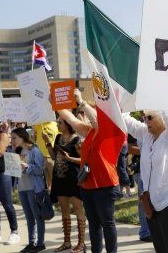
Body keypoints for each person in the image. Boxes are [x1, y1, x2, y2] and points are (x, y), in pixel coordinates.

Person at [58, 89, 121, 253]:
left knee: (107, 222)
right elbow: (70, 119)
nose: (85, 115)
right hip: (88, 185)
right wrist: (55, 104)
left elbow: (97, 121)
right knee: (93, 223)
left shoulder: (112, 131)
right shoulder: (90, 131)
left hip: (105, 185)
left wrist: (81, 101)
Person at [123, 111, 168, 253]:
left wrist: (158, 96)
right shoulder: (146, 135)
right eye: (144, 118)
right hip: (152, 206)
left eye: (150, 118)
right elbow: (126, 120)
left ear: (162, 118)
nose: (146, 121)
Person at [43, 117, 86, 253]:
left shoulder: (76, 139)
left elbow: (84, 160)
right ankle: (67, 242)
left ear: (68, 124)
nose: (57, 124)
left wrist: (69, 158)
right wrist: (48, 143)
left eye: (60, 122)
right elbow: (54, 157)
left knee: (78, 209)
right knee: (64, 210)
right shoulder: (58, 137)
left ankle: (81, 242)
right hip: (59, 178)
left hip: (73, 179)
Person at [11, 128, 46, 253]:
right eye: (11, 138)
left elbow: (39, 170)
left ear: (22, 137)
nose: (12, 141)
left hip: (34, 188)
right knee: (29, 218)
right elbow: (15, 171)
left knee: (38, 217)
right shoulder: (17, 151)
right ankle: (32, 242)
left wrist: (27, 166)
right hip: (22, 188)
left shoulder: (34, 150)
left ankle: (40, 243)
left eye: (14, 138)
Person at [127, 133, 151, 242]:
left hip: (156, 167)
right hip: (141, 169)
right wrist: (148, 151)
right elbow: (128, 147)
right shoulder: (137, 127)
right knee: (144, 200)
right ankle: (145, 232)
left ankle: (153, 230)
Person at [33, 122, 58, 191]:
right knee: (47, 184)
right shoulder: (37, 125)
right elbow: (34, 140)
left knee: (55, 180)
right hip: (41, 157)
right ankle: (49, 198)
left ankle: (57, 198)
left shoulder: (56, 124)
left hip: (51, 156)